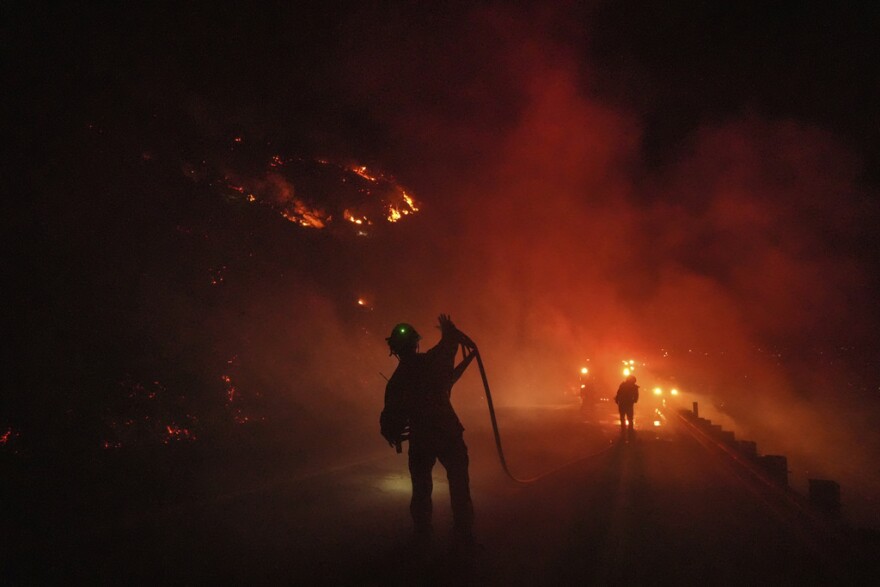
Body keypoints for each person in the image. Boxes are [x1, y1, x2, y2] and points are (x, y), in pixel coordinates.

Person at [380, 314, 476, 546]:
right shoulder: (429, 363)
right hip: (447, 433)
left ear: (395, 350)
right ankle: (463, 536)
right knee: (459, 484)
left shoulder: (396, 381)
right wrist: (449, 332)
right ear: (416, 343)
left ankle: (422, 535)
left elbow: (390, 419)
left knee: (421, 488)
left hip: (422, 438)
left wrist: (391, 430)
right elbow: (447, 350)